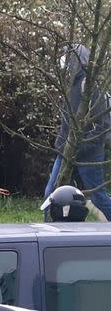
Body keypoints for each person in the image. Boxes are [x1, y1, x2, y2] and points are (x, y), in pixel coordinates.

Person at [44, 44, 111, 221]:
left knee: (99, 198)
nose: (65, 66)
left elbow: (102, 125)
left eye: (68, 61)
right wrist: (61, 145)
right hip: (66, 151)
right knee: (50, 194)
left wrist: (80, 147)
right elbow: (66, 123)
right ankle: (48, 235)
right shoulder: (68, 87)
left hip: (89, 153)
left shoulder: (90, 87)